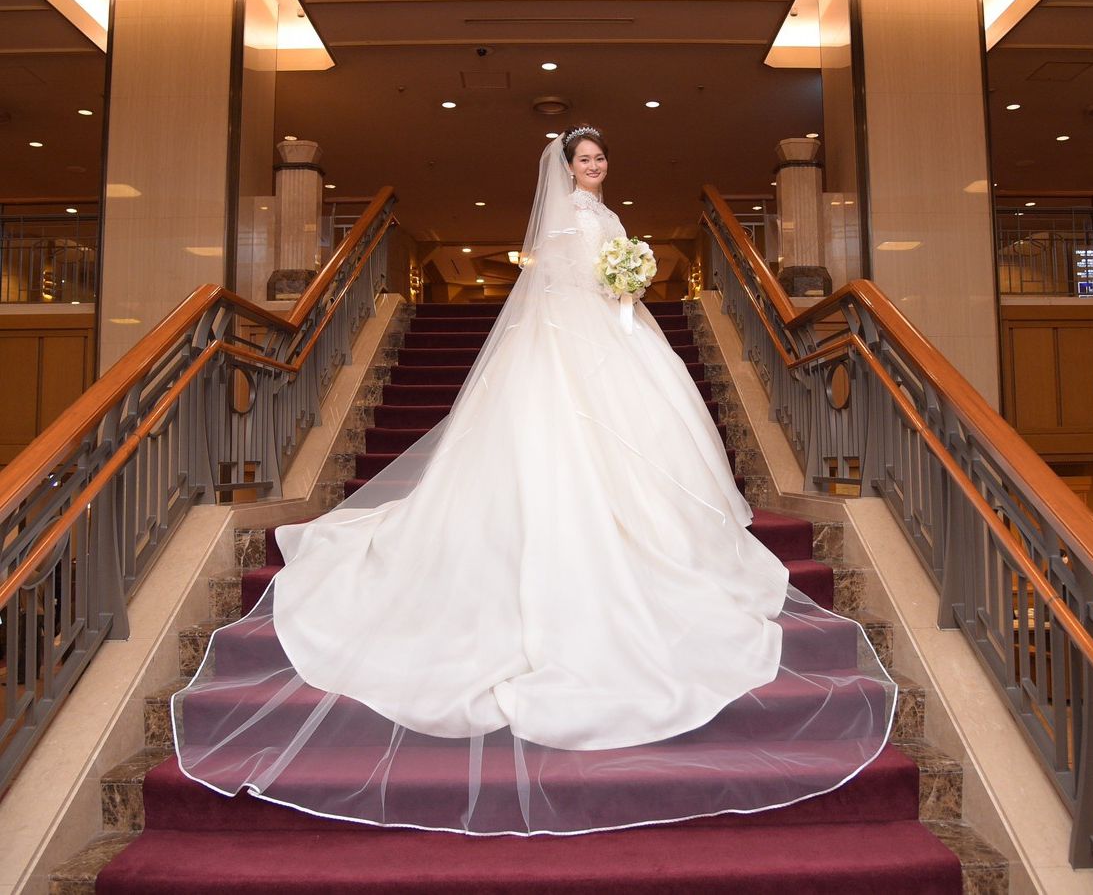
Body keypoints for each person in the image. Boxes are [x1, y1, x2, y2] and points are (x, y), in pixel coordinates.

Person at [172, 126, 896, 835]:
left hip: (616, 330)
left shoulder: (603, 211)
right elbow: (556, 281)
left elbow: (606, 273)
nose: (595, 165)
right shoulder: (567, 217)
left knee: (642, 443)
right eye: (585, 158)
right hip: (574, 341)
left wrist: (626, 283)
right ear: (567, 166)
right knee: (568, 444)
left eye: (601, 156)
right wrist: (614, 282)